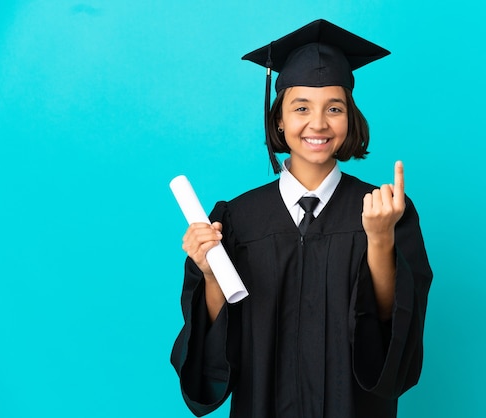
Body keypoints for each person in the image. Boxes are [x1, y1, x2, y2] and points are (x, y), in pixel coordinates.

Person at [171, 19, 433, 418]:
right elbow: (216, 349)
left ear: (350, 118)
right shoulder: (238, 218)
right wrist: (210, 273)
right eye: (301, 108)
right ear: (279, 119)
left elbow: (391, 332)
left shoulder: (384, 209)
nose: (318, 124)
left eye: (334, 108)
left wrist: (380, 240)